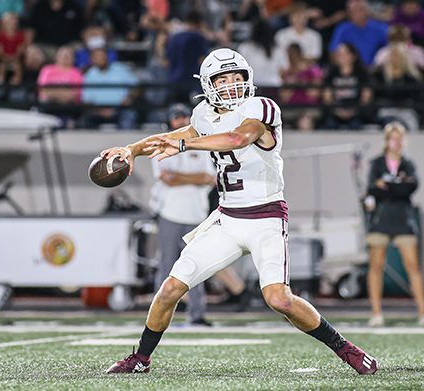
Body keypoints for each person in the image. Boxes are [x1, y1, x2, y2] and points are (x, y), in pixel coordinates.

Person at [101, 47, 378, 375]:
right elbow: (175, 136)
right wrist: (131, 149)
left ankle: (345, 348)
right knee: (171, 288)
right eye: (223, 78)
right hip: (227, 218)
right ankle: (141, 359)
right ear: (207, 83)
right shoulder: (204, 113)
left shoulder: (261, 107)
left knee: (280, 299)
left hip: (266, 217)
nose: (231, 84)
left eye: (237, 77)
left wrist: (186, 145)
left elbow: (236, 137)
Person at [149, 103, 217, 326]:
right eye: (176, 118)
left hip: (196, 214)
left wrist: (182, 178)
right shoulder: (162, 144)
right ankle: (157, 316)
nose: (181, 121)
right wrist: (194, 178)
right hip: (170, 212)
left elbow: (210, 178)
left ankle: (197, 313)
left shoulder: (200, 143)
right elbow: (167, 178)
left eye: (184, 117)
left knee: (197, 267)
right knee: (166, 265)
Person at [364, 122, 424, 327]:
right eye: (393, 138)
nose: (397, 142)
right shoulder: (376, 163)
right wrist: (396, 186)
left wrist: (388, 186)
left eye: (400, 138)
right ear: (387, 141)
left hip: (403, 219)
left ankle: (423, 313)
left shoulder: (408, 164)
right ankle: (376, 313)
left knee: (413, 266)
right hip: (381, 219)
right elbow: (372, 188)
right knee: (376, 266)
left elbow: (410, 188)